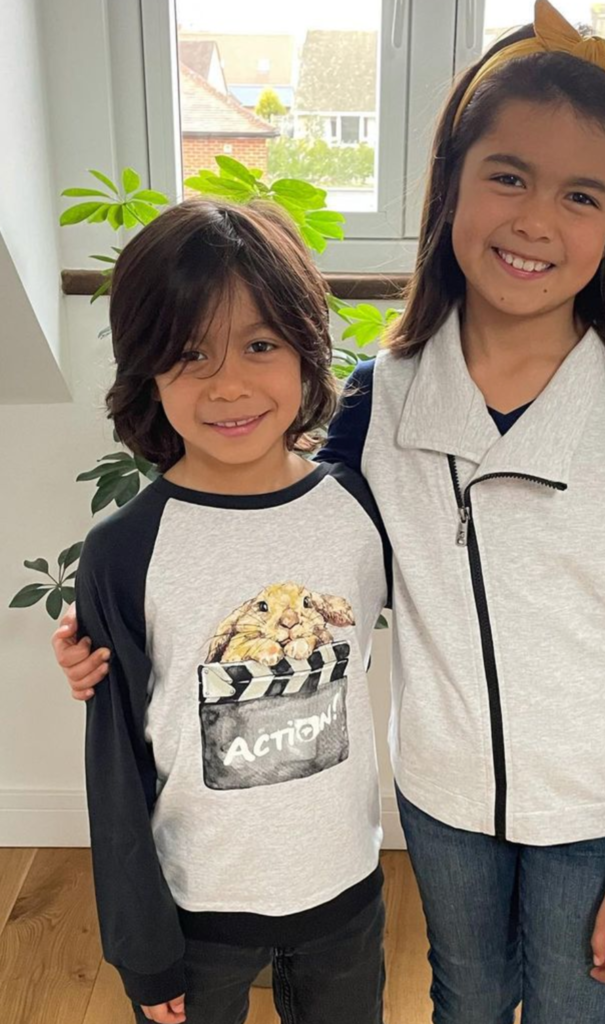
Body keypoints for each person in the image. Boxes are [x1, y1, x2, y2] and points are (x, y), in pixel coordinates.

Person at [55, 3, 605, 1022]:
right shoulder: (384, 395)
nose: (534, 220)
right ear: (450, 179)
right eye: (505, 175)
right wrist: (102, 634)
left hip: (597, 807)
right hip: (440, 798)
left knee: (572, 1006)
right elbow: (278, 540)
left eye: (580, 193)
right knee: (463, 996)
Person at [70, 199, 390, 1024]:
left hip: (344, 893)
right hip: (197, 913)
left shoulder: (361, 512)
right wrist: (143, 952)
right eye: (189, 355)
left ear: (306, 349)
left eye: (260, 345)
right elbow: (115, 767)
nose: (229, 385)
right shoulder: (122, 552)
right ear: (146, 369)